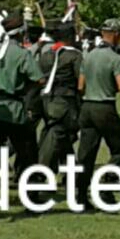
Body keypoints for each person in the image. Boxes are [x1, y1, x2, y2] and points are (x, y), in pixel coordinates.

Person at [0, 13, 44, 196]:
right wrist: (26, 89)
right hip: (14, 108)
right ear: (21, 33)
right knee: (27, 153)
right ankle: (31, 196)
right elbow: (39, 79)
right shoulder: (22, 54)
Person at [75, 19, 120, 209]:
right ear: (115, 34)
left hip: (87, 107)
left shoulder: (89, 55)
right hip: (105, 107)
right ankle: (106, 184)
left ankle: (81, 195)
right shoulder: (115, 58)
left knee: (86, 154)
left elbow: (80, 86)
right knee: (119, 150)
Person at [36, 21, 83, 176]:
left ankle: (72, 172)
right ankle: (41, 170)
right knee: (59, 133)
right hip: (65, 100)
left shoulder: (46, 55)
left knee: (63, 137)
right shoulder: (74, 56)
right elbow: (80, 80)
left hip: (46, 98)